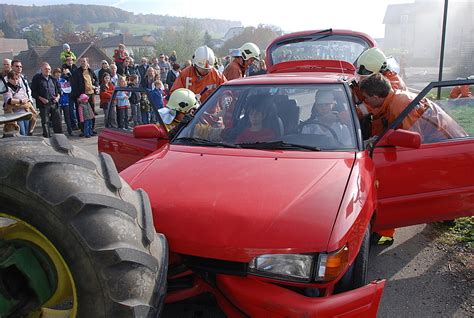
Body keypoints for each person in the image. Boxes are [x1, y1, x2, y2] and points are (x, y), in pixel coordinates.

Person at [31, 62, 63, 137]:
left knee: (57, 121)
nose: (47, 70)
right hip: (43, 105)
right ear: (41, 69)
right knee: (46, 122)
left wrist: (58, 97)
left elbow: (59, 90)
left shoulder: (53, 79)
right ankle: (47, 137)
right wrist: (41, 98)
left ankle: (59, 137)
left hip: (54, 103)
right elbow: (33, 92)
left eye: (49, 69)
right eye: (45, 69)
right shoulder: (37, 78)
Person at [3, 71, 38, 136]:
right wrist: (21, 101)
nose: (15, 81)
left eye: (17, 79)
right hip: (16, 115)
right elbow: (9, 100)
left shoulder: (20, 88)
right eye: (13, 79)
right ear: (8, 79)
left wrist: (33, 110)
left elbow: (27, 99)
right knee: (21, 133)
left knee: (27, 133)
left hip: (25, 113)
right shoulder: (7, 88)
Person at [71, 57, 99, 136]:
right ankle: (83, 130)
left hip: (91, 94)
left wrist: (95, 85)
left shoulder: (90, 71)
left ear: (87, 62)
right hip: (82, 96)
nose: (83, 63)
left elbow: (96, 79)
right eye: (81, 61)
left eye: (84, 61)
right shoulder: (77, 72)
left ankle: (91, 129)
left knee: (91, 112)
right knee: (82, 114)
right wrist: (78, 96)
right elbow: (74, 85)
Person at [11, 59, 37, 134]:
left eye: (20, 66)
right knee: (21, 132)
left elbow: (27, 91)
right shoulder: (8, 79)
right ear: (12, 67)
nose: (19, 68)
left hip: (26, 109)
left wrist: (30, 103)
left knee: (27, 131)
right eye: (17, 66)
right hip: (17, 111)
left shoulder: (23, 78)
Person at [55, 67, 74, 136]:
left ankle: (70, 131)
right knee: (59, 118)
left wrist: (62, 90)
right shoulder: (53, 81)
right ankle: (60, 132)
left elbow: (68, 89)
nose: (58, 74)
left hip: (65, 101)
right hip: (58, 102)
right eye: (56, 73)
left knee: (67, 117)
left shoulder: (64, 80)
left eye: (59, 73)